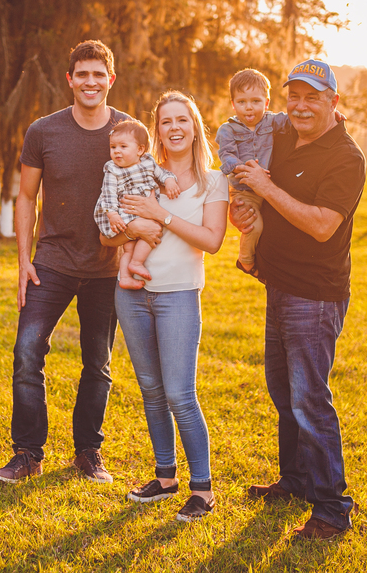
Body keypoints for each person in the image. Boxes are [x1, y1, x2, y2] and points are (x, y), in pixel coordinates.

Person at [0, 40, 153, 485]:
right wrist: (24, 260)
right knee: (27, 353)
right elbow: (25, 198)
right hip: (53, 262)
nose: (90, 82)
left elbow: (150, 188)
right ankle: (26, 454)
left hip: (106, 268)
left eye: (99, 74)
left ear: (111, 80)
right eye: (82, 74)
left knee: (97, 362)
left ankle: (87, 452)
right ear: (70, 80)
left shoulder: (129, 132)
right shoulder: (44, 131)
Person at [231, 59, 366, 540]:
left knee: (310, 399)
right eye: (295, 96)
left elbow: (322, 224)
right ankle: (295, 480)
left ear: (333, 102)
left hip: (316, 295)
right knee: (283, 392)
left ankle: (332, 509)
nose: (302, 105)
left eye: (314, 97)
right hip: (278, 283)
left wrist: (268, 187)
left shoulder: (346, 158)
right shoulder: (284, 137)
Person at [104, 91, 228, 522]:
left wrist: (162, 215)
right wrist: (132, 226)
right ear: (155, 130)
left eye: (183, 120)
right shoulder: (134, 173)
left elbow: (212, 241)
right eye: (165, 121)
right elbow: (106, 235)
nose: (174, 128)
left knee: (180, 393)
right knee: (151, 391)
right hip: (132, 294)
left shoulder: (213, 182)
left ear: (194, 127)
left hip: (177, 295)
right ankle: (165, 477)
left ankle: (203, 489)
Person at [214, 69, 289, 272]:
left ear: (266, 103)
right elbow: (227, 156)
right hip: (245, 191)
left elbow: (294, 119)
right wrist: (243, 169)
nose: (249, 108)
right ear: (233, 103)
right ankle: (246, 261)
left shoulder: (272, 121)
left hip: (270, 186)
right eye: (242, 102)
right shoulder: (228, 130)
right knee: (255, 226)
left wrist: (329, 115)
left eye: (256, 101)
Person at [93, 119, 181, 289]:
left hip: (143, 210)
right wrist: (112, 214)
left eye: (123, 147)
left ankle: (127, 274)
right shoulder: (112, 169)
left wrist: (170, 181)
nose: (117, 151)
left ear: (140, 149)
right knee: (151, 229)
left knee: (132, 245)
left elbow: (162, 173)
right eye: (113, 147)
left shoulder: (148, 161)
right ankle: (136, 264)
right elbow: (108, 194)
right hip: (123, 213)